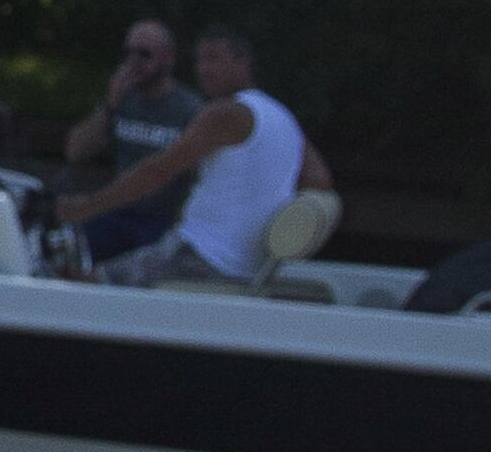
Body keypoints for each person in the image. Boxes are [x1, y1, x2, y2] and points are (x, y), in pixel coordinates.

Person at [55, 25, 335, 286]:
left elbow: (157, 172)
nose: (203, 69)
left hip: (200, 257)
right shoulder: (283, 118)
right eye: (200, 60)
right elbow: (320, 181)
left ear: (243, 62)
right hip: (246, 267)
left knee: (79, 280)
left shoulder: (225, 113)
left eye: (214, 59)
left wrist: (86, 208)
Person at [60, 19, 204, 260]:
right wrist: (110, 105)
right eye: (128, 53)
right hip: (115, 213)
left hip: (161, 221)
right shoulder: (122, 99)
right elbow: (75, 152)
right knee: (69, 253)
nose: (134, 61)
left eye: (144, 54)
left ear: (169, 59)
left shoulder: (190, 110)